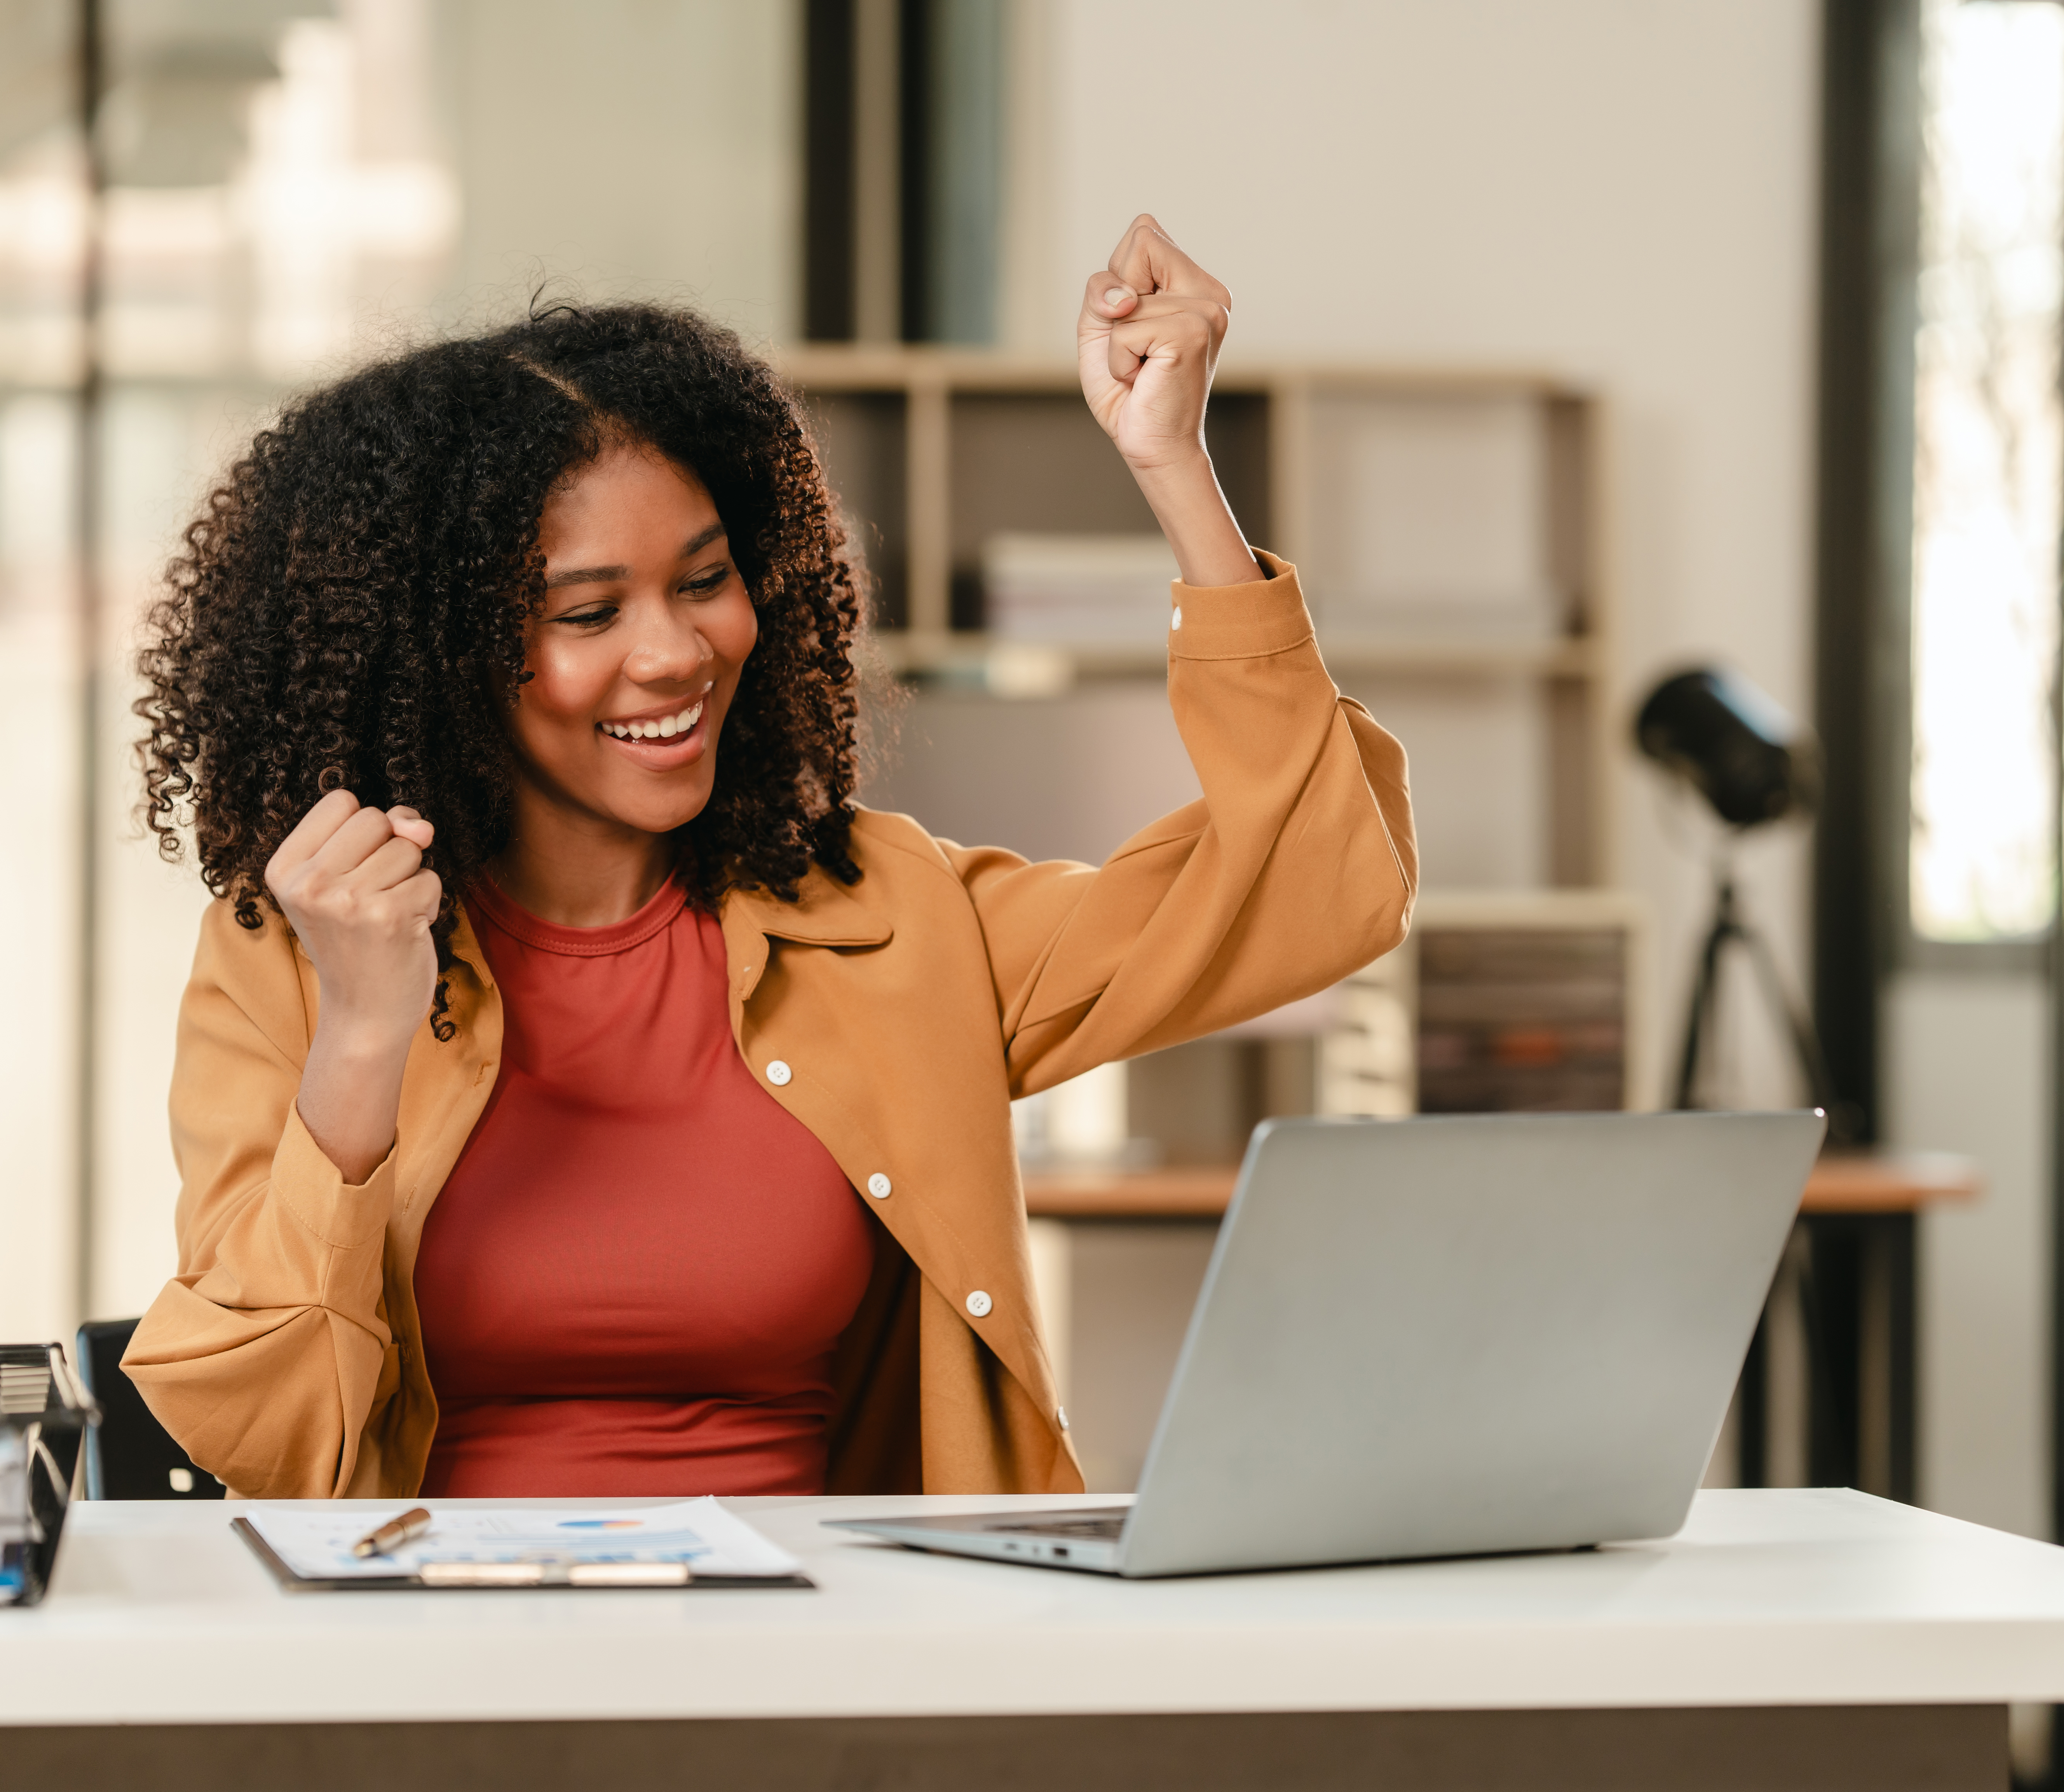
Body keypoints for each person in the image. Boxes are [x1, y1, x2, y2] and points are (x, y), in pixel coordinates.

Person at [122, 216, 1418, 1501]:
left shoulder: (887, 917)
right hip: (447, 1667)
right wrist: (359, 1036)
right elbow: (266, 1442)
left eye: (704, 579)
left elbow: (1317, 882)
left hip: (829, 1665)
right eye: (589, 612)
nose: (677, 651)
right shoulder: (287, 960)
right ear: (438, 663)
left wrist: (1175, 466)